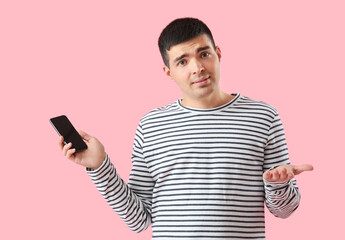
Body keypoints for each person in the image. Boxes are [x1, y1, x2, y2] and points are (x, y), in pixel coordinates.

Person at [59, 17, 314, 239]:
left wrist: (277, 184)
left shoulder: (263, 117)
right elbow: (139, 220)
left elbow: (285, 211)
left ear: (219, 54)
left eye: (204, 54)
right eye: (182, 62)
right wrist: (99, 166)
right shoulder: (151, 126)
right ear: (168, 72)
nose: (198, 68)